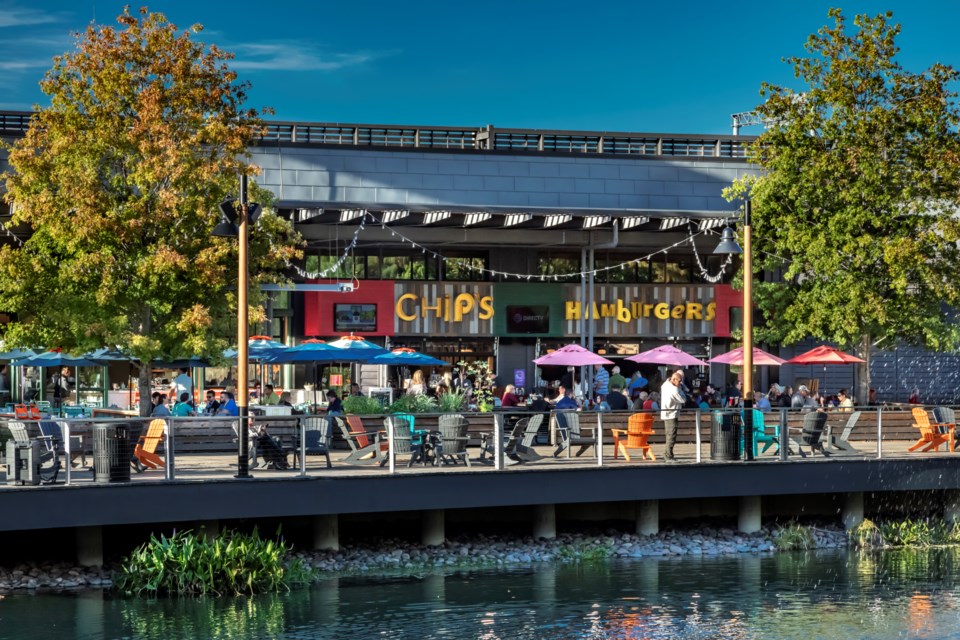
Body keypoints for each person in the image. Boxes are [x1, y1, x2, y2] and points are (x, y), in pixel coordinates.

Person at [660, 371, 685, 461]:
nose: (680, 383)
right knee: (671, 435)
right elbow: (682, 399)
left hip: (665, 412)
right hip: (671, 413)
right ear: (674, 380)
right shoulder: (674, 389)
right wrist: (680, 389)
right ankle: (668, 455)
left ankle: (668, 454)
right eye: (679, 381)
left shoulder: (664, 384)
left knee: (669, 435)